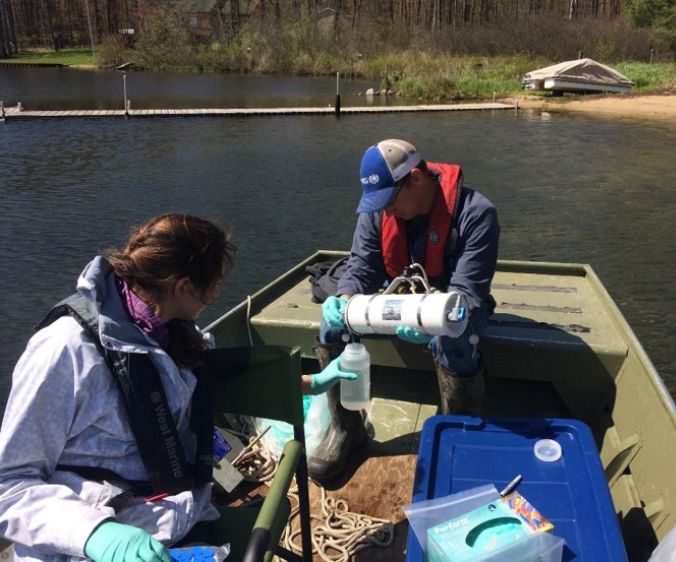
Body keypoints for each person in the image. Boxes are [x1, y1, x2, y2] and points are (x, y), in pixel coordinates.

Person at [0, 213, 354, 562]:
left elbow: (207, 377)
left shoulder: (175, 331)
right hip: (79, 547)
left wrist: (314, 382)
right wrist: (94, 533)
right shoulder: (65, 350)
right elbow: (9, 487)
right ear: (183, 287)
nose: (216, 294)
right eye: (214, 286)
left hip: (175, 520)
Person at [312, 139, 499, 481]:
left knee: (455, 338)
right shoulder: (377, 210)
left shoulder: (477, 213)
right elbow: (362, 265)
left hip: (452, 304)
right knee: (331, 325)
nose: (384, 211)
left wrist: (433, 322)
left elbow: (469, 294)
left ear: (415, 179)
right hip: (393, 296)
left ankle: (456, 437)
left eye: (390, 201)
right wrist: (345, 296)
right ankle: (346, 429)